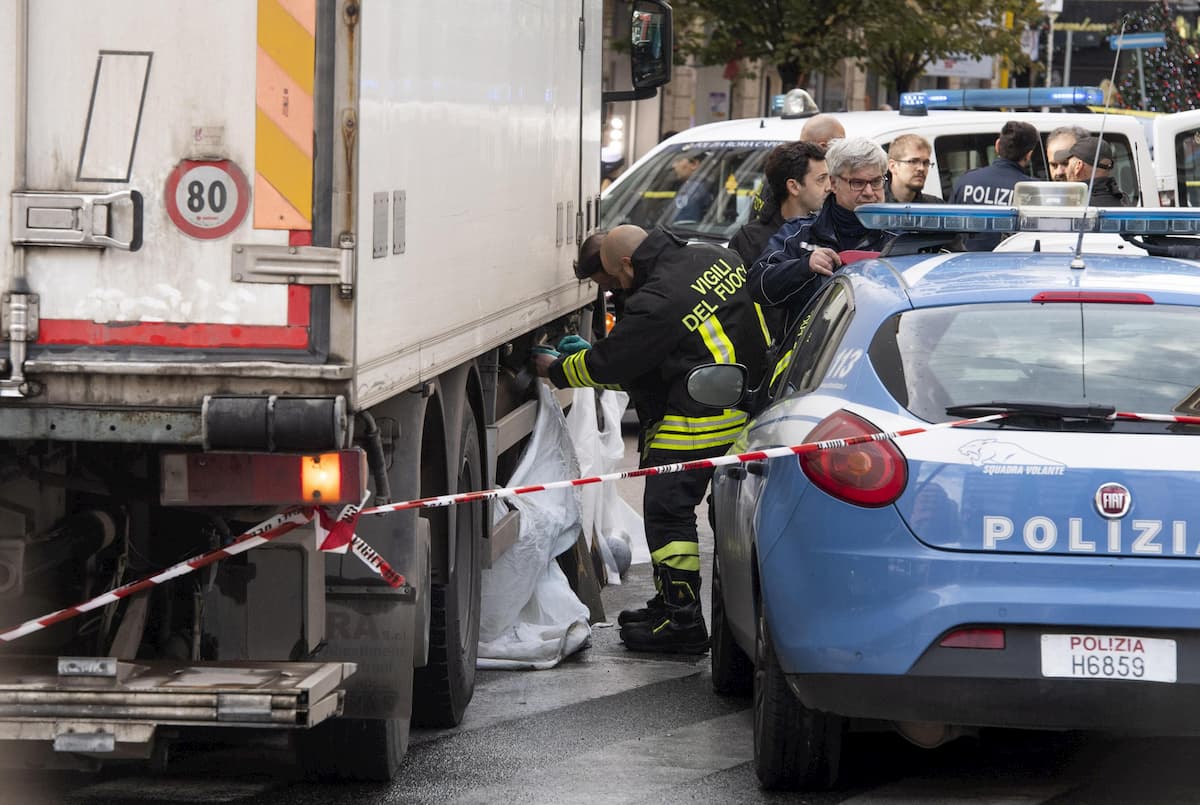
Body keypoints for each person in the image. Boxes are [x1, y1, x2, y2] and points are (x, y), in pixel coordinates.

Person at [534, 224, 767, 654]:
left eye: (614, 280)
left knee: (667, 511)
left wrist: (558, 369)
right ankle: (670, 605)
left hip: (701, 414)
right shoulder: (711, 254)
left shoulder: (657, 300)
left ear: (626, 263)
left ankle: (682, 619)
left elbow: (616, 364)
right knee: (674, 510)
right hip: (743, 398)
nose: (618, 288)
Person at [749, 137, 893, 320]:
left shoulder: (899, 235)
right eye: (857, 183)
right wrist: (804, 267)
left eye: (876, 182)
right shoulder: (800, 232)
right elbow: (758, 285)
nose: (869, 192)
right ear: (833, 183)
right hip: (814, 346)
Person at [728, 141, 829, 268]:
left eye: (829, 178)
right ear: (793, 187)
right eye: (821, 179)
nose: (829, 187)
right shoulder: (749, 240)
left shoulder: (827, 232)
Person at [950, 120, 1040, 250]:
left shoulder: (966, 180)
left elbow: (950, 231)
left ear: (997, 145)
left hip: (966, 265)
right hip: (1014, 266)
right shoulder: (1034, 190)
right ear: (1029, 154)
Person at [1055, 136, 1129, 206]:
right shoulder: (1123, 201)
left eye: (1066, 164)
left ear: (1079, 166)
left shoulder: (1072, 206)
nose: (1060, 171)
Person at [885, 134, 941, 203]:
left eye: (925, 163)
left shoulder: (935, 207)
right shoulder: (876, 204)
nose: (921, 168)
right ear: (892, 166)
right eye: (913, 161)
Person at [669, 152, 713, 223]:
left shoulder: (693, 189)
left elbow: (683, 223)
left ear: (694, 164)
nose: (674, 165)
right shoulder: (707, 185)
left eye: (679, 160)